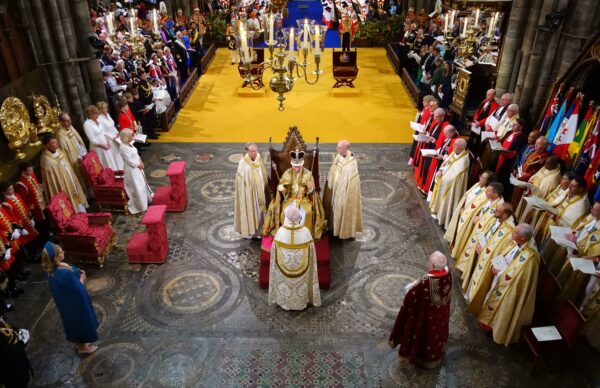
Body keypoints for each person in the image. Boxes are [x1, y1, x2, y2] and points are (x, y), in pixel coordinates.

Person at [477, 223, 539, 346]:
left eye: (515, 233)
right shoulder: (518, 244)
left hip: (510, 289)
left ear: (522, 238)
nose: (512, 233)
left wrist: (498, 273)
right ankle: (488, 322)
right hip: (500, 279)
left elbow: (518, 278)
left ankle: (497, 329)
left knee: (503, 309)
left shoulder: (531, 258)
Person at [388, 251, 451, 369]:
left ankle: (419, 357)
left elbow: (410, 297)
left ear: (432, 265)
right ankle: (434, 357)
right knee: (435, 334)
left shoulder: (425, 282)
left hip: (426, 317)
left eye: (429, 261)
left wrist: (411, 288)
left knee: (424, 334)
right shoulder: (448, 274)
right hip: (440, 315)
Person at [42, 241, 99, 355]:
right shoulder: (64, 274)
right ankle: (83, 347)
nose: (64, 252)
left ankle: (80, 344)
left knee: (73, 323)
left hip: (67, 303)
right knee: (82, 322)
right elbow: (78, 287)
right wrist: (81, 279)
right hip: (76, 303)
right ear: (57, 256)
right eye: (61, 252)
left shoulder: (53, 269)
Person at [263, 149, 326, 239]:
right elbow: (282, 187)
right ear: (292, 165)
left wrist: (311, 189)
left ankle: (304, 235)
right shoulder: (287, 173)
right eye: (295, 166)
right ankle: (287, 235)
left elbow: (312, 193)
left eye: (299, 166)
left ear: (302, 165)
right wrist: (281, 188)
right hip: (290, 199)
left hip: (304, 199)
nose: (297, 169)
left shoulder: (308, 174)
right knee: (284, 213)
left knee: (307, 212)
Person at [268, 206, 321, 310]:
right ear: (299, 217)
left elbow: (274, 255)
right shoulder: (305, 232)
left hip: (284, 271)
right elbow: (312, 255)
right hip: (302, 271)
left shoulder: (280, 232)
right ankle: (301, 302)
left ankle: (285, 302)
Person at [460, 202, 515, 298]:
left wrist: (485, 250)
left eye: (497, 211)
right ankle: (469, 292)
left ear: (505, 215)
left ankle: (473, 296)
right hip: (481, 251)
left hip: (487, 259)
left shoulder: (510, 231)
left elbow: (500, 250)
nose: (494, 211)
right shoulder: (498, 219)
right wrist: (480, 244)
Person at [449, 182, 504, 260]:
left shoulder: (499, 206)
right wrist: (477, 215)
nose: (485, 192)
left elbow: (491, 222)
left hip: (481, 233)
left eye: (488, 191)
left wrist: (479, 220)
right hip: (475, 225)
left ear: (495, 194)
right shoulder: (490, 199)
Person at [323, 140, 363, 239]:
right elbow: (333, 169)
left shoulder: (351, 162)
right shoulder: (338, 156)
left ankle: (343, 232)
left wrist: (347, 195)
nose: (337, 149)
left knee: (341, 209)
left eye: (339, 148)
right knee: (334, 208)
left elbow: (353, 182)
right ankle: (333, 228)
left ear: (345, 149)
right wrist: (331, 184)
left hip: (345, 191)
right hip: (336, 189)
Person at [444, 171, 496, 245]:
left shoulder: (486, 194)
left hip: (468, 217)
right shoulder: (477, 185)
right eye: (481, 176)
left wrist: (465, 212)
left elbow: (478, 209)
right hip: (463, 210)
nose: (480, 178)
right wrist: (462, 206)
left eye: (483, 178)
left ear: (488, 181)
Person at [40, 135, 88, 213]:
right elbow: (53, 181)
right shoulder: (46, 160)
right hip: (62, 184)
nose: (56, 144)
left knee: (76, 195)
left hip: (70, 178)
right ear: (46, 145)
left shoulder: (58, 151)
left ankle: (82, 213)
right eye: (53, 143)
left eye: (56, 142)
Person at [429, 138, 469, 229]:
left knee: (448, 200)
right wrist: (440, 170)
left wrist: (443, 178)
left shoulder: (464, 160)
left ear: (463, 147)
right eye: (454, 144)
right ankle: (438, 212)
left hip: (451, 186)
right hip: (444, 179)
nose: (454, 147)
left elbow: (455, 177)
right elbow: (447, 164)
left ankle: (444, 218)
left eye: (456, 145)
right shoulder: (455, 153)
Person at [234, 143, 269, 239]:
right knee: (253, 212)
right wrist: (248, 192)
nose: (254, 153)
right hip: (250, 195)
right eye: (252, 151)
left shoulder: (258, 158)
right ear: (247, 151)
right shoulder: (243, 164)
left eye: (255, 150)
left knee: (262, 211)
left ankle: (262, 230)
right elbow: (242, 183)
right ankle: (253, 232)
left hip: (260, 190)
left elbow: (263, 172)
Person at [118, 129, 153, 215]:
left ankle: (146, 201)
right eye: (131, 136)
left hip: (137, 168)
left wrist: (141, 161)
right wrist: (138, 164)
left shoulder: (129, 144)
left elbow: (136, 154)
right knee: (137, 187)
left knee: (142, 184)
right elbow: (129, 160)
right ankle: (140, 206)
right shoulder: (122, 148)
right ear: (126, 137)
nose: (132, 137)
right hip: (131, 170)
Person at [83, 105, 121, 170]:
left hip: (105, 144)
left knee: (111, 161)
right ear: (90, 115)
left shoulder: (97, 121)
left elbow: (103, 132)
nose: (98, 115)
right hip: (98, 148)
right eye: (96, 114)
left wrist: (108, 140)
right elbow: (92, 139)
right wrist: (102, 146)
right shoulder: (87, 124)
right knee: (104, 163)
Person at [57, 112, 88, 190]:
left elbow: (78, 140)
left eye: (69, 120)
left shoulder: (70, 127)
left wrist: (83, 151)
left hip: (81, 154)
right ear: (61, 122)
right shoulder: (60, 136)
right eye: (67, 121)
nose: (70, 122)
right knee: (80, 177)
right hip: (74, 160)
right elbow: (66, 152)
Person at [0, 316, 33, 387]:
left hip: (18, 365)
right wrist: (22, 343)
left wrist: (18, 330)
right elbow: (5, 354)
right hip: (10, 372)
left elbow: (7, 327)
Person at [97, 102, 125, 170]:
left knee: (118, 154)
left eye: (106, 107)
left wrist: (117, 132)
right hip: (109, 139)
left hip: (115, 137)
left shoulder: (107, 114)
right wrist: (112, 137)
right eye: (104, 108)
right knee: (114, 155)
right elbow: (102, 132)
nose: (106, 109)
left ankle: (122, 168)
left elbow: (112, 125)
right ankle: (117, 169)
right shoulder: (99, 119)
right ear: (100, 109)